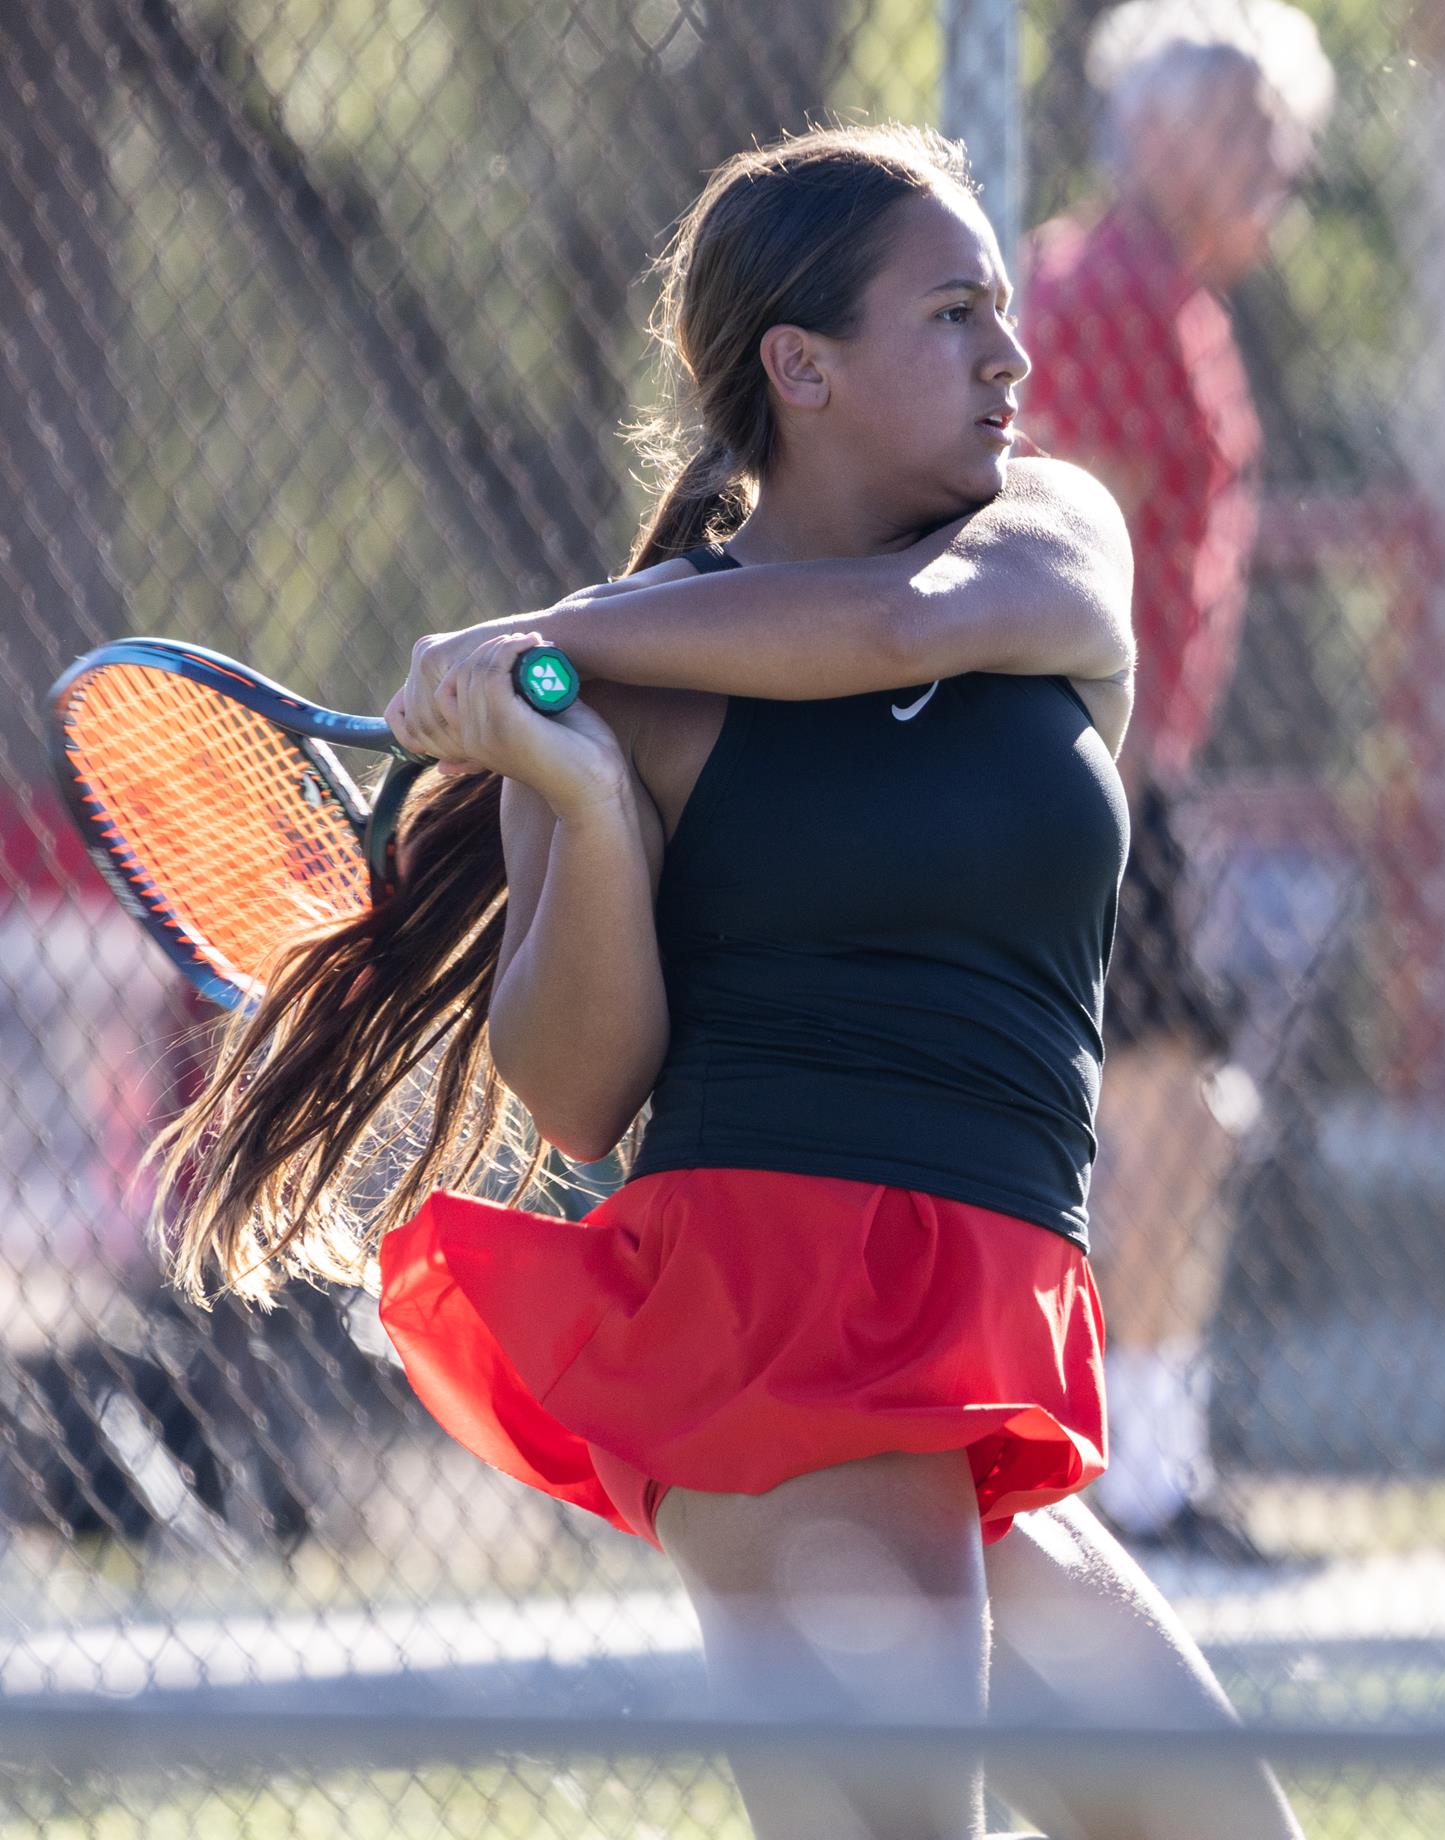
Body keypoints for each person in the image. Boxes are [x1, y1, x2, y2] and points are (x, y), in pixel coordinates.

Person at [148, 125, 1305, 1840]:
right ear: (801, 366)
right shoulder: (620, 698)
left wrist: (551, 642)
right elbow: (574, 1087)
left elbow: (890, 634)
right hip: (776, 1312)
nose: (1012, 353)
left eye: (1003, 310)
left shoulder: (1046, 543)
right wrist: (592, 806)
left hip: (971, 1311)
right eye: (954, 313)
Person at [1018, 1, 1335, 1559]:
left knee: (1177, 1114)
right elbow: (1092, 553)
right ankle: (1130, 1477)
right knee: (1163, 1115)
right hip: (1105, 762)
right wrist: (1121, 790)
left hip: (1129, 762)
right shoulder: (1119, 296)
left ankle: (1142, 1460)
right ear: (1150, 132)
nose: (1279, 160)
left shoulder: (1157, 296)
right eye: (1243, 126)